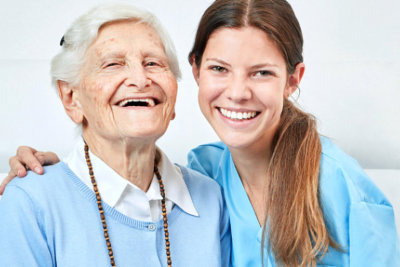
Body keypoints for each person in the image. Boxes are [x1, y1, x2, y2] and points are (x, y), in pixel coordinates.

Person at [3, 0, 400, 266]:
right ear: (195, 72)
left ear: (292, 79)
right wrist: (50, 180)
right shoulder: (206, 173)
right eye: (219, 69)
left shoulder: (336, 186)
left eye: (262, 72)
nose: (238, 92)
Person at [0, 4, 230, 267]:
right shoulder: (31, 202)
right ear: (71, 98)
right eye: (113, 64)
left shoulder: (210, 198)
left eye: (153, 63)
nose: (140, 79)